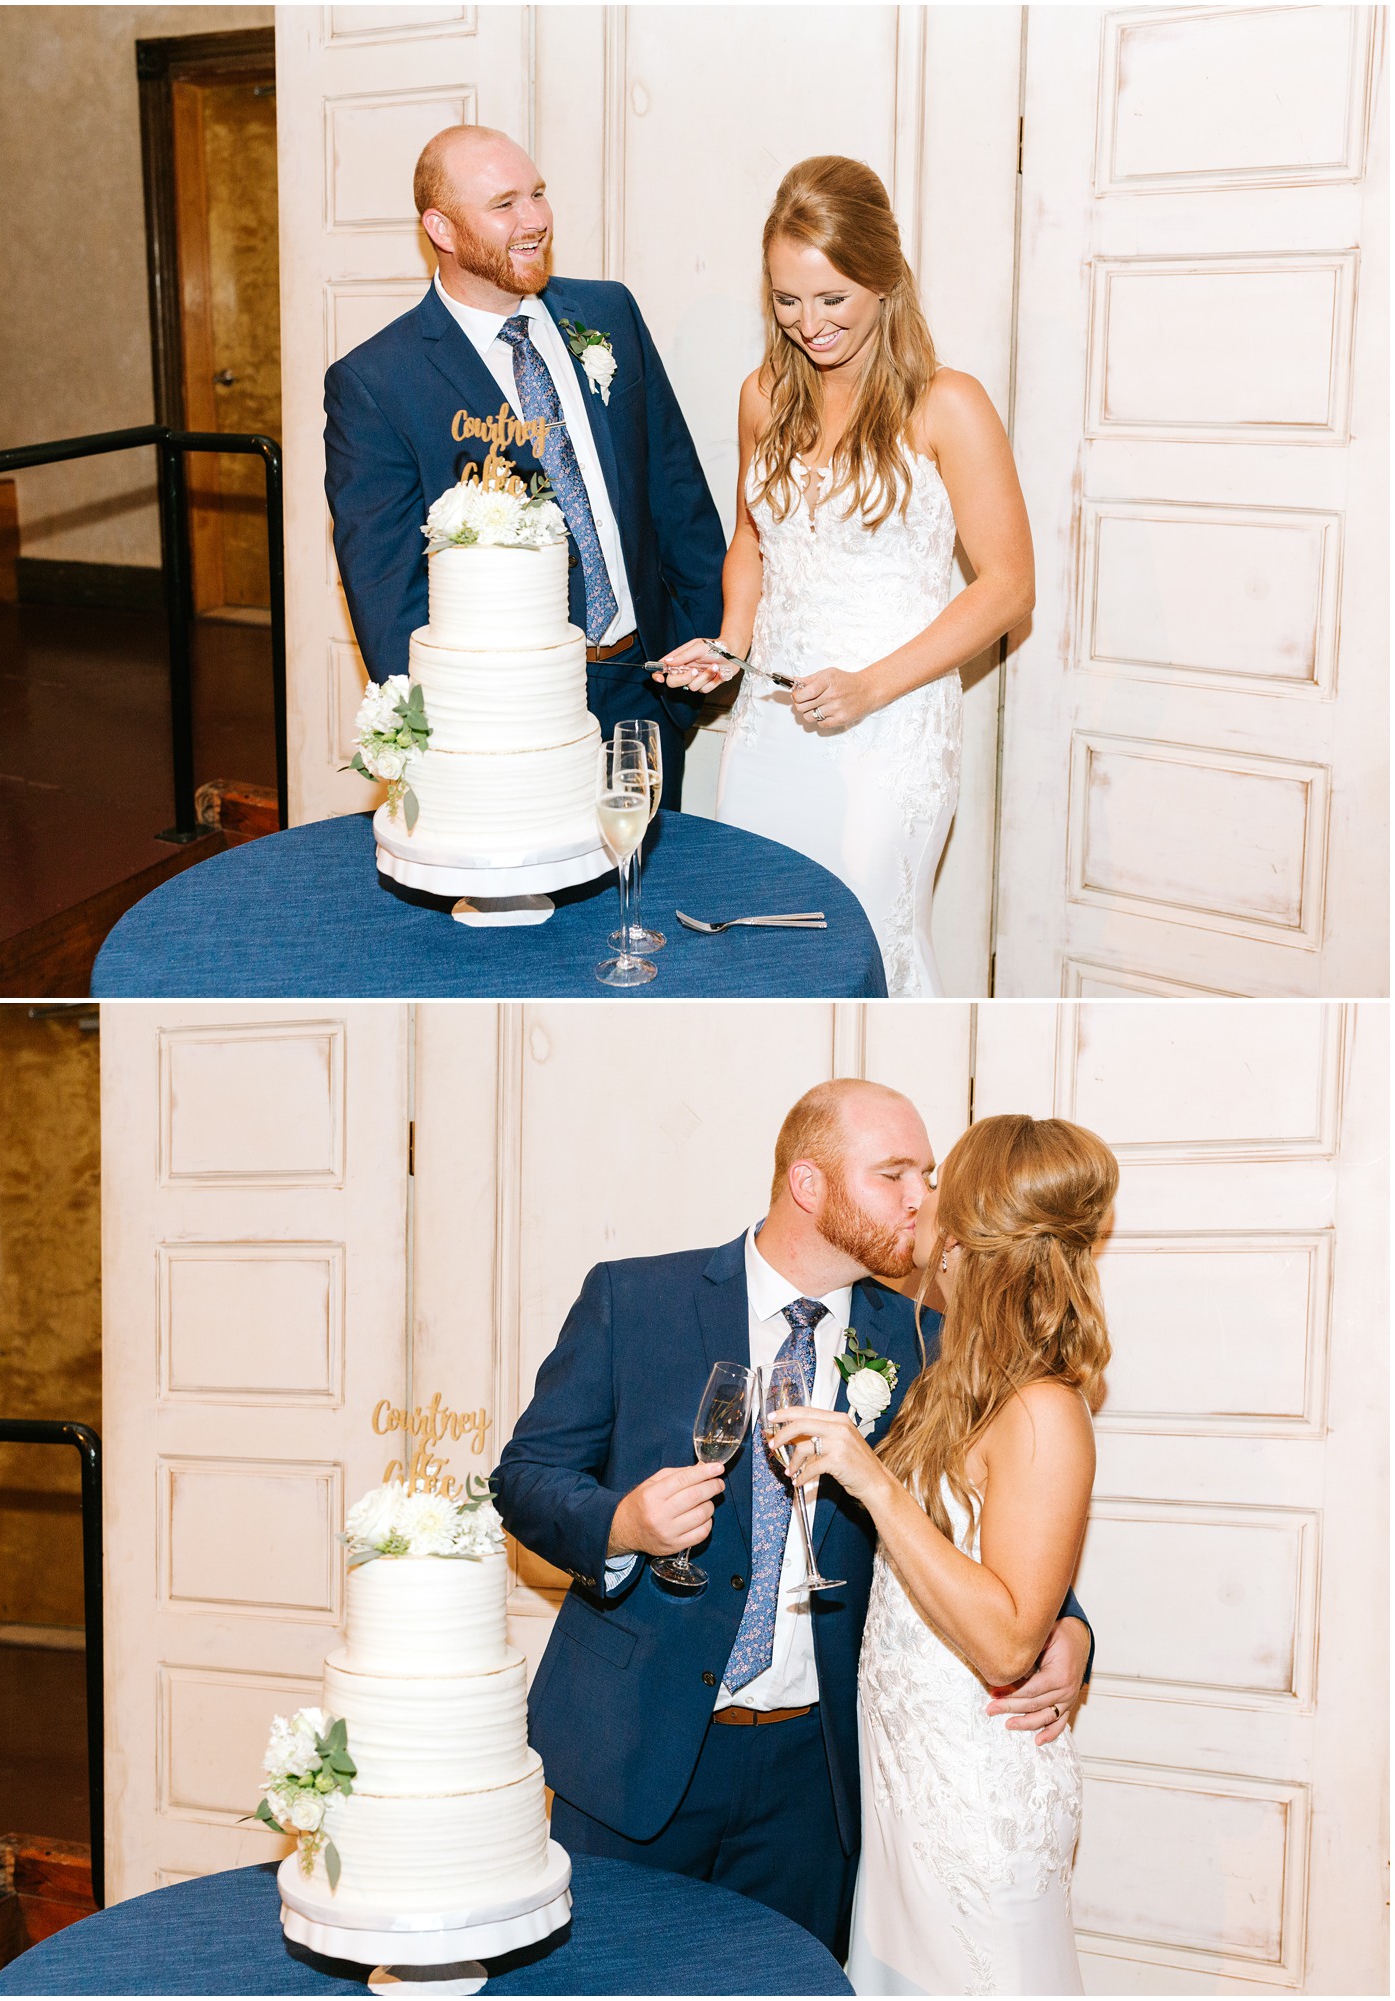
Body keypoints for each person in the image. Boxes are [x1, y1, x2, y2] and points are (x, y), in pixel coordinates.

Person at [489, 1079, 1092, 1956]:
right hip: (634, 1753)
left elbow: (999, 1511)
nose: (924, 1199)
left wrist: (1067, 1628)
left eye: (927, 1173)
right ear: (809, 1185)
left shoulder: (929, 1339)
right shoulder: (636, 1299)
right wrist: (620, 1522)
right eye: (895, 1174)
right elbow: (525, 1475)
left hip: (817, 1779)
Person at [658, 156, 1035, 993]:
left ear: (884, 278)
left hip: (892, 724)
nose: (809, 324)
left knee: (869, 938)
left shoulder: (950, 405)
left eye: (832, 299)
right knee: (755, 935)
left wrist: (871, 686)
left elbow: (1009, 586)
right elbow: (754, 542)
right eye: (787, 301)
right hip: (771, 722)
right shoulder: (764, 395)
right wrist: (728, 644)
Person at [771, 1112, 1116, 1993]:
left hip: (973, 1793)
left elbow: (1006, 1640)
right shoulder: (948, 1365)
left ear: (968, 1240)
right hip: (901, 1788)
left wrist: (873, 1481)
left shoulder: (1044, 1408)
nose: (918, 1205)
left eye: (936, 1190)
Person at [323, 124, 725, 811]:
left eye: (537, 193)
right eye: (504, 204)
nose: (535, 219)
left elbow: (676, 490)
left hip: (644, 693)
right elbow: (389, 599)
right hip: (510, 724)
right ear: (442, 229)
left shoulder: (609, 313)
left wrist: (705, 642)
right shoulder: (376, 384)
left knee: (638, 900)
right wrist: (459, 746)